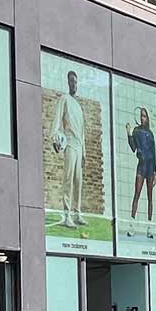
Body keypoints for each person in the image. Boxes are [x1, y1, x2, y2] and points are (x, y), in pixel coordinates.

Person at [46, 71, 88, 228]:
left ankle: (78, 213)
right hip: (69, 143)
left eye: (76, 82)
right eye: (71, 81)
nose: (74, 84)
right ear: (67, 82)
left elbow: (82, 132)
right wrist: (55, 137)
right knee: (68, 179)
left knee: (78, 180)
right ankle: (67, 215)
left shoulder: (78, 106)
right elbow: (57, 121)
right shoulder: (64, 99)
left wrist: (83, 153)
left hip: (78, 145)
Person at [127, 108, 156, 219]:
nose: (142, 118)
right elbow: (133, 148)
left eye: (144, 116)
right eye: (141, 116)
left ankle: (150, 221)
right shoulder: (136, 130)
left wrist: (155, 171)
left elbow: (154, 152)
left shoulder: (150, 133)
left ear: (147, 118)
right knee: (137, 193)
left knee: (150, 196)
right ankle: (132, 218)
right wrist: (129, 134)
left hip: (150, 166)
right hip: (142, 165)